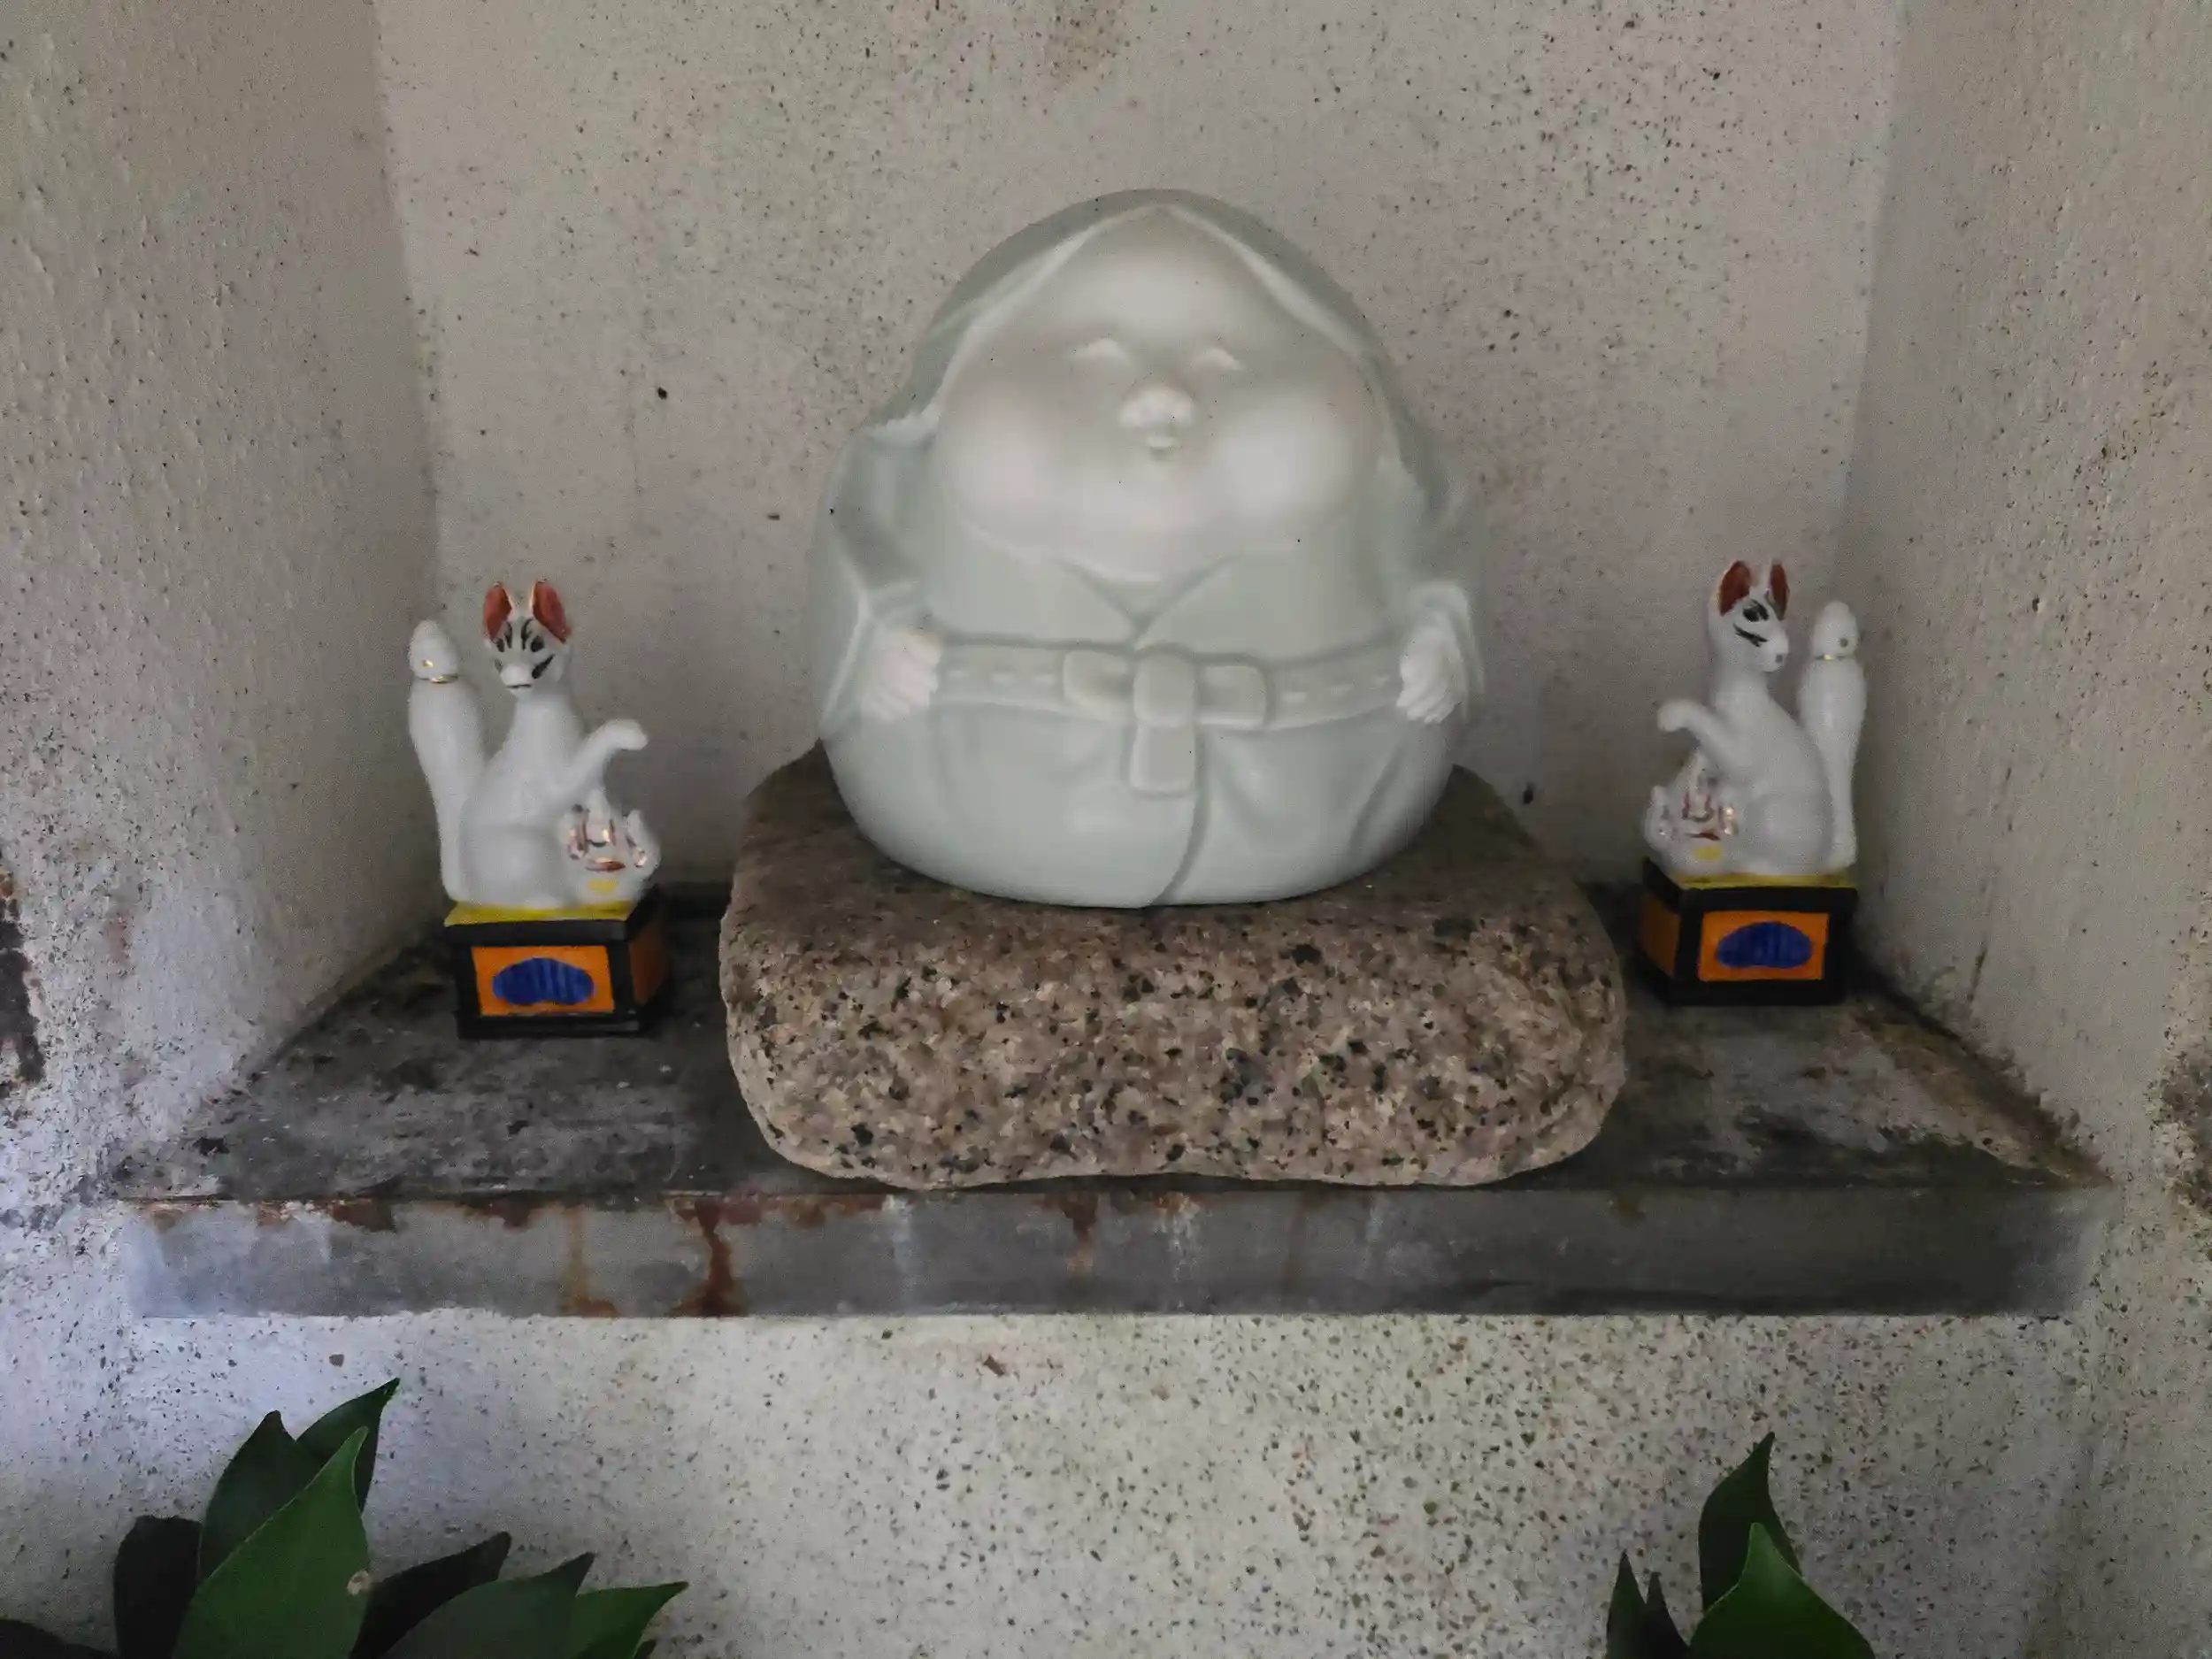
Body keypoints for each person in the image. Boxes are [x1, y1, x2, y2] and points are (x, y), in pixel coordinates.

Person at [809, 190, 1481, 906]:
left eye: (1225, 360)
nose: (1162, 394)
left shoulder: (1386, 499)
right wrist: (877, 641)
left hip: (1320, 797)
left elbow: (1440, 554)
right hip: (981, 786)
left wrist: (1444, 637)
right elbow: (861, 547)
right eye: (1095, 357)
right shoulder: (904, 490)